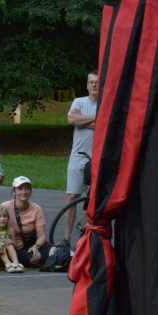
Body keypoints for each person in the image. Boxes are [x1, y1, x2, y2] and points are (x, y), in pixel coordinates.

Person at [64, 70, 99, 245]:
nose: (94, 85)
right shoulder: (79, 101)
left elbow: (106, 125)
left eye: (97, 82)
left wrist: (82, 120)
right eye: (91, 82)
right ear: (87, 85)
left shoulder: (106, 103)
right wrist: (97, 118)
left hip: (97, 157)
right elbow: (72, 120)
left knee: (93, 198)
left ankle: (87, 237)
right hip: (77, 156)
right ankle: (66, 238)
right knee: (73, 196)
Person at [1, 176, 56, 269]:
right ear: (14, 191)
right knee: (34, 259)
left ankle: (55, 262)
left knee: (54, 251)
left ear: (30, 191)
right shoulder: (5, 207)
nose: (24, 192)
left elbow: (42, 235)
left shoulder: (36, 209)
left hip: (33, 243)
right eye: (20, 189)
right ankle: (49, 266)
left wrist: (36, 246)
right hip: (17, 247)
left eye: (27, 188)